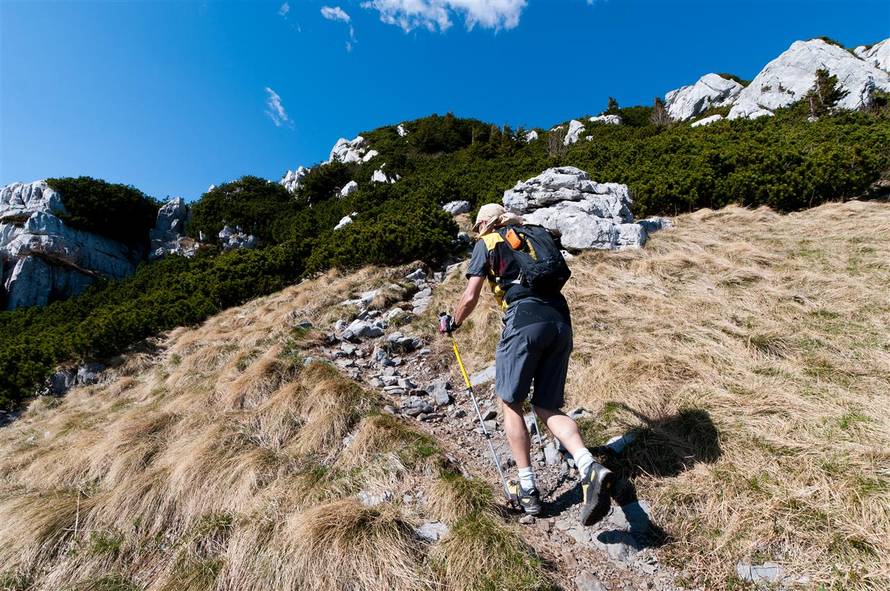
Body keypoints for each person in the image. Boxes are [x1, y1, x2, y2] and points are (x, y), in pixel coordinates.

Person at [439, 203, 614, 525]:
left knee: (511, 402)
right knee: (547, 406)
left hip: (523, 320)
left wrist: (454, 322)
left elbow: (470, 295)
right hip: (560, 321)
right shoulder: (533, 235)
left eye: (478, 226)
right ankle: (588, 465)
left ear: (486, 223)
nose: (477, 231)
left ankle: (528, 487)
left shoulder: (488, 242)